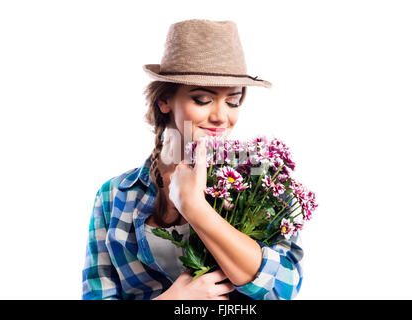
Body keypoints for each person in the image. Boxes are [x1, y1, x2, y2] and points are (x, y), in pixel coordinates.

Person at [82, 19, 303, 300]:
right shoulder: (114, 195)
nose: (221, 117)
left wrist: (196, 208)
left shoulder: (263, 185)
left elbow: (282, 289)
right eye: (202, 99)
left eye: (233, 101)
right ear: (165, 101)